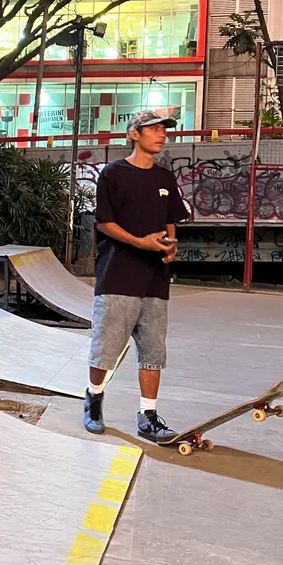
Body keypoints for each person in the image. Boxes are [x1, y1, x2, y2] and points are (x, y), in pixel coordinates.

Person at [83, 111, 190, 442]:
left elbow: (171, 218)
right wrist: (140, 242)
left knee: (154, 351)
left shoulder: (164, 177)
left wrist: (170, 244)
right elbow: (104, 222)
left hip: (155, 277)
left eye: (164, 130)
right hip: (119, 275)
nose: (161, 135)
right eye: (154, 129)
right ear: (134, 134)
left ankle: (148, 416)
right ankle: (94, 398)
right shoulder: (113, 174)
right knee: (107, 348)